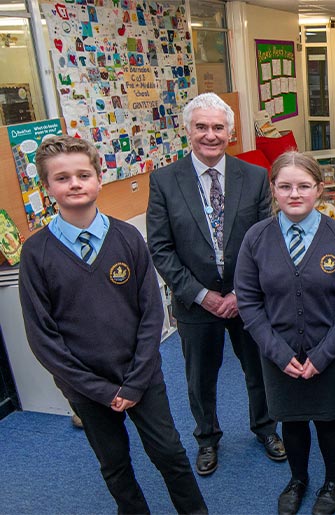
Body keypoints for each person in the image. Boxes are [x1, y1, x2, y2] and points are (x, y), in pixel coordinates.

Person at [18, 135, 207, 514]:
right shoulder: (36, 253)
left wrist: (135, 382)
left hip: (142, 376)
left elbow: (152, 314)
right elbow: (43, 337)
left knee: (170, 453)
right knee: (114, 464)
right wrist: (100, 391)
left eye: (83, 175)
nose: (74, 184)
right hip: (85, 387)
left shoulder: (128, 238)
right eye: (62, 178)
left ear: (98, 179)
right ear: (47, 186)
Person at [146, 92, 284, 477]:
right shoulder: (164, 181)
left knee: (258, 370)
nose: (210, 134)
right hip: (195, 302)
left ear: (230, 132)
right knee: (199, 377)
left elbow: (266, 240)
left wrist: (242, 294)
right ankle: (207, 439)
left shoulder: (255, 177)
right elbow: (160, 248)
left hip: (248, 300)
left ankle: (265, 428)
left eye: (218, 127)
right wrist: (202, 295)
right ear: (188, 131)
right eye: (201, 127)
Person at [235, 151, 335, 515]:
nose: (295, 193)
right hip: (279, 357)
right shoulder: (256, 238)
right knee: (291, 422)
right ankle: (297, 478)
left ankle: (333, 480)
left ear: (319, 190)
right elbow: (247, 301)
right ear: (273, 190)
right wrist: (278, 353)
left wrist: (323, 355)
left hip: (330, 353)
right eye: (285, 186)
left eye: (304, 186)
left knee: (328, 421)